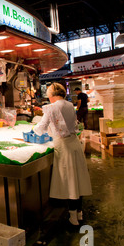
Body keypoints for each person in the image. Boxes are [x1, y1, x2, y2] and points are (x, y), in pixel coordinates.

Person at [33, 83, 92, 226]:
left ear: (52, 94)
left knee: (70, 182)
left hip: (64, 146)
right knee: (78, 179)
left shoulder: (52, 108)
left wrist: (33, 129)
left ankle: (72, 219)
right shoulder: (69, 105)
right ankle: (79, 213)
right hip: (74, 144)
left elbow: (41, 128)